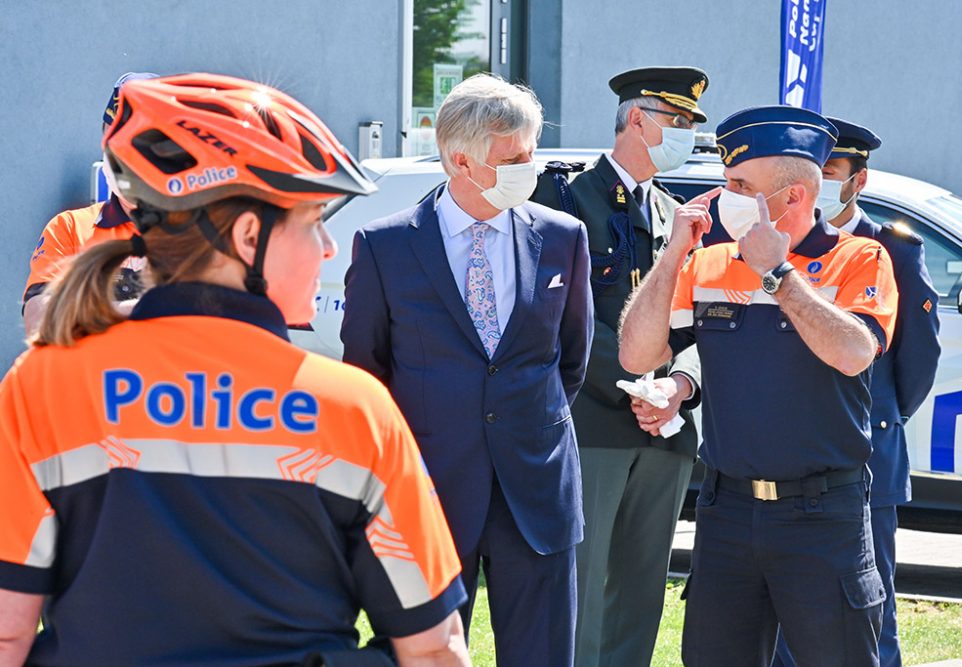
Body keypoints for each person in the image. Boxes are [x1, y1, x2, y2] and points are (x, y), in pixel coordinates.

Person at [0, 73, 470, 667]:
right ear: (249, 236)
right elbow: (434, 649)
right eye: (312, 221)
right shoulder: (355, 408)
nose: (328, 246)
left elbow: (5, 634)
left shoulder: (41, 387)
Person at [619, 105, 900, 666]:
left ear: (794, 197)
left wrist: (779, 275)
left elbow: (853, 353)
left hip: (823, 516)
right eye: (727, 183)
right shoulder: (711, 261)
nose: (727, 196)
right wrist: (673, 256)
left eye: (741, 185)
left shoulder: (859, 257)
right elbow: (637, 352)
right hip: (728, 511)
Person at [341, 73, 594, 666]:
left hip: (537, 493)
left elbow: (571, 360)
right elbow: (366, 377)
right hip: (429, 492)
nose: (533, 168)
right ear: (462, 160)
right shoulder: (386, 247)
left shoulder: (562, 238)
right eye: (517, 158)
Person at [532, 66, 706, 667]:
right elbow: (555, 313)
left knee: (640, 592)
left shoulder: (676, 213)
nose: (687, 134)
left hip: (665, 431)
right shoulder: (561, 198)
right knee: (582, 590)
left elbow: (695, 315)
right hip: (595, 423)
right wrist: (639, 384)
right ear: (638, 119)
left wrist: (676, 388)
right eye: (677, 121)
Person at [772, 118, 941, 667]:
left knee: (868, 613)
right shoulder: (778, 243)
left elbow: (916, 360)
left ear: (857, 180)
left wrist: (878, 418)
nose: (815, 182)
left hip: (865, 455)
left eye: (828, 171)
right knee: (780, 618)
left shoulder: (892, 249)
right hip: (784, 457)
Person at [22, 72, 158, 335]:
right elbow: (39, 322)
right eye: (112, 142)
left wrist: (87, 314)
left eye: (137, 144)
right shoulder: (70, 228)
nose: (123, 159)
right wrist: (142, 308)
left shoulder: (197, 232)